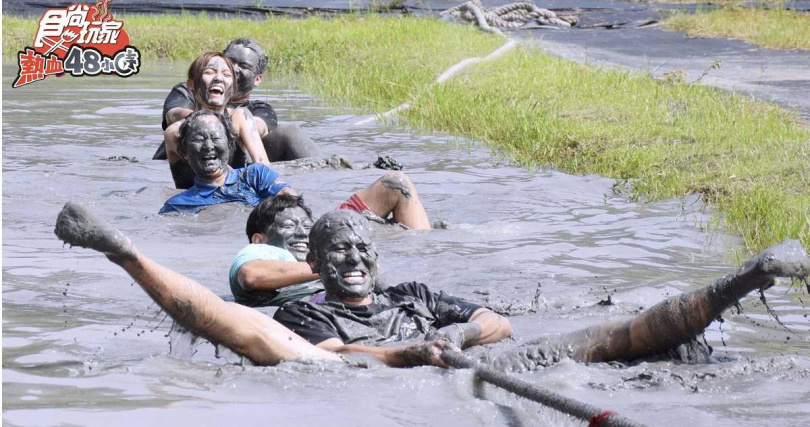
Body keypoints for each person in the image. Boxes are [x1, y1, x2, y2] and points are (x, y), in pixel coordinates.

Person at [55, 202, 810, 370]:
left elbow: (498, 322)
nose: (353, 257)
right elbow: (346, 362)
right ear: (314, 261)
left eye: (361, 247)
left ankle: (747, 276)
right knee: (267, 344)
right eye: (336, 249)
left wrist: (457, 333)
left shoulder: (412, 286)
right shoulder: (305, 307)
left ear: (377, 258)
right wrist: (415, 354)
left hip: (464, 359)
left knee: (601, 340)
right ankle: (124, 250)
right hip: (387, 375)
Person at [160, 111, 433, 233]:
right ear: (184, 153)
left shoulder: (254, 176)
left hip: (313, 235)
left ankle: (425, 248)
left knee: (396, 183)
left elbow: (296, 207)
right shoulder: (175, 206)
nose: (208, 146)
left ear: (230, 146)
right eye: (198, 139)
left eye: (216, 138)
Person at [156, 38, 319, 165]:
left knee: (290, 132)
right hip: (182, 162)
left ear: (257, 79)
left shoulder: (260, 109)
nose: (234, 68)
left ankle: (325, 171)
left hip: (234, 162)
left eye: (244, 66)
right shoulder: (190, 91)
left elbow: (257, 127)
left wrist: (240, 122)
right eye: (230, 61)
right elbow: (174, 115)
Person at [163, 52, 272, 190]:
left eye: (226, 75)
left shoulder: (241, 118)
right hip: (191, 203)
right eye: (209, 72)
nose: (219, 78)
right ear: (191, 84)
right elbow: (214, 174)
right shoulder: (176, 132)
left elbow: (263, 164)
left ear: (232, 90)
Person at [229, 193, 323, 307]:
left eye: (308, 227)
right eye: (288, 226)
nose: (303, 233)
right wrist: (329, 268)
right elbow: (251, 274)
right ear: (258, 240)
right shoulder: (258, 250)